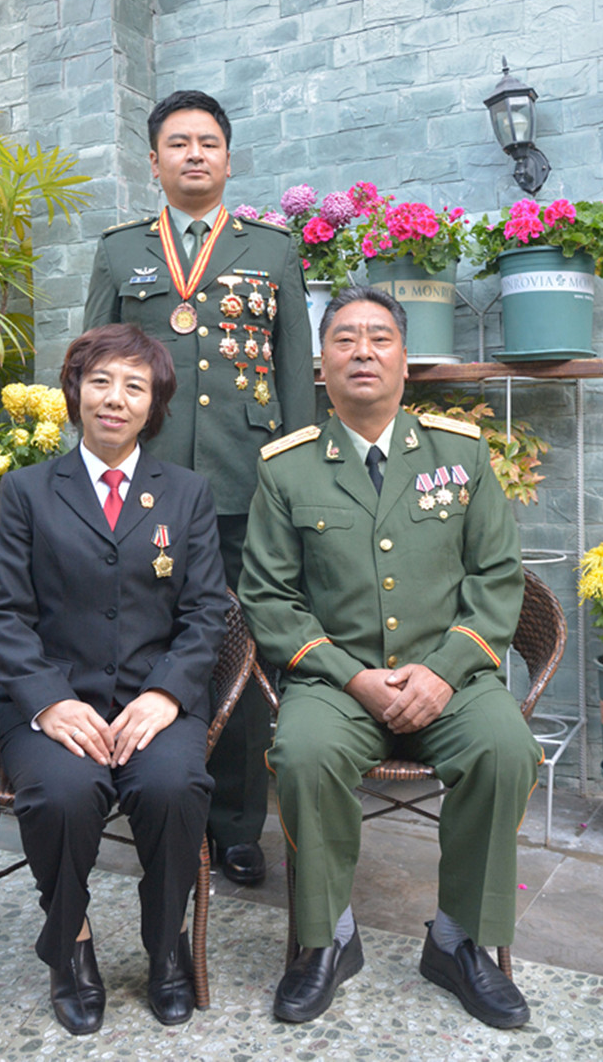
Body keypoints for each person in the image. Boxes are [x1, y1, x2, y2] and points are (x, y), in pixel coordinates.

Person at [238, 286, 543, 1028]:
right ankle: (327, 940)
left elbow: (498, 578)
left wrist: (443, 670)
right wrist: (352, 676)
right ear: (322, 365)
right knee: (304, 753)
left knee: (505, 748)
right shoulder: (287, 468)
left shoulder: (460, 453)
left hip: (452, 675)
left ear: (406, 360)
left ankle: (459, 941)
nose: (363, 351)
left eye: (380, 337)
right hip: (336, 682)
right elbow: (269, 597)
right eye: (344, 339)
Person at [83, 90, 315, 887]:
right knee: (143, 638)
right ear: (153, 161)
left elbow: (294, 375)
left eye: (207, 142)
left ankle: (238, 824)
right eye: (178, 143)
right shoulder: (120, 251)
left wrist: (299, 479)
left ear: (227, 158)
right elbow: (91, 367)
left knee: (239, 649)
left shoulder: (272, 250)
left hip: (246, 485)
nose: (193, 154)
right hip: (142, 485)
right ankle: (152, 801)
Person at [0, 324, 228, 1034]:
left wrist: (167, 693)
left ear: (155, 404)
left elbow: (208, 610)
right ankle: (72, 941)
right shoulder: (26, 491)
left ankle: (166, 943)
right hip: (49, 700)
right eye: (100, 382)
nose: (115, 399)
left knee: (174, 787)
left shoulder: (187, 494)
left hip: (155, 699)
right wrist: (49, 701)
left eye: (134, 386)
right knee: (62, 793)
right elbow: (2, 612)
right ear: (75, 393)